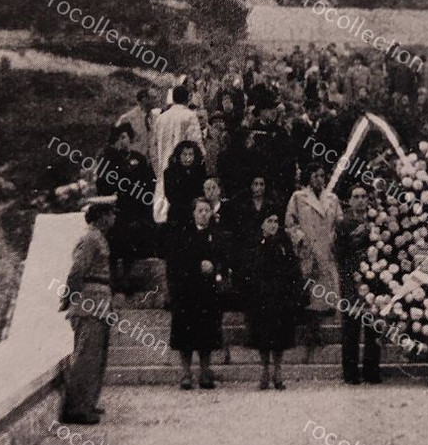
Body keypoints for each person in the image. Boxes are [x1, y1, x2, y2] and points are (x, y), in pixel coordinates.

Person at [60, 199, 117, 424]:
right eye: (111, 214)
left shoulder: (99, 238)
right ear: (101, 217)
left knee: (96, 357)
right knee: (86, 357)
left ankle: (88, 403)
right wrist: (69, 298)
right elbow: (77, 271)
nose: (114, 218)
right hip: (89, 305)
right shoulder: (91, 239)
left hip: (100, 303)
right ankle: (76, 409)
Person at [164, 195, 227, 390]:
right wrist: (196, 266)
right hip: (187, 292)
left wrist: (215, 266)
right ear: (193, 213)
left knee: (207, 334)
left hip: (208, 293)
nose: (203, 214)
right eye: (199, 211)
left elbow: (225, 260)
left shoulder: (217, 235)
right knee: (185, 335)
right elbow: (175, 262)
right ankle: (185, 374)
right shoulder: (183, 234)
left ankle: (205, 373)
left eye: (207, 211)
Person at [239, 211, 306, 390]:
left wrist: (292, 293)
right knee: (262, 336)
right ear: (262, 224)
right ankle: (264, 370)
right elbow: (248, 270)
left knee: (279, 336)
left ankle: (278, 371)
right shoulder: (254, 244)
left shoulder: (284, 244)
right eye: (269, 221)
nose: (273, 225)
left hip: (280, 298)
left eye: (276, 221)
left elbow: (293, 271)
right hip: (260, 298)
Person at [286, 162, 344, 362]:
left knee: (325, 293)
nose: (320, 179)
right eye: (315, 176)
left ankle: (319, 334)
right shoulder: (299, 197)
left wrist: (334, 238)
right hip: (308, 251)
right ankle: (311, 335)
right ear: (309, 178)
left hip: (326, 251)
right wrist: (301, 239)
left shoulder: (332, 199)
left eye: (322, 176)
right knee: (310, 292)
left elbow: (339, 223)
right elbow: (290, 223)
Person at [94, 123, 154, 294]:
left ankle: (127, 276)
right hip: (116, 209)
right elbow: (102, 185)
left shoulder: (139, 159)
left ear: (130, 138)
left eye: (124, 137)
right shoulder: (109, 160)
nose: (121, 142)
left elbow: (147, 184)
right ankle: (113, 277)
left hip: (135, 208)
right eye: (118, 138)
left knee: (131, 238)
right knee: (113, 239)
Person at [334, 184, 382, 384]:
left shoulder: (376, 220)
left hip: (375, 280)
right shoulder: (343, 223)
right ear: (350, 200)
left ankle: (371, 371)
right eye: (356, 196)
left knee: (373, 327)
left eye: (364, 196)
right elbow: (339, 251)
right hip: (351, 278)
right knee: (351, 327)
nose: (361, 200)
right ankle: (351, 373)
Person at [151, 82, 204, 223]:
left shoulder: (161, 118)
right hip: (184, 172)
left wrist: (158, 171)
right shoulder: (190, 116)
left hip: (164, 171)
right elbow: (196, 145)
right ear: (188, 99)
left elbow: (153, 149)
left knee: (163, 211)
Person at [116, 85, 157, 165]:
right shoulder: (127, 118)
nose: (156, 101)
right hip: (132, 162)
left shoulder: (155, 118)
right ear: (144, 99)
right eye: (153, 98)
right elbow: (117, 141)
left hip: (149, 164)